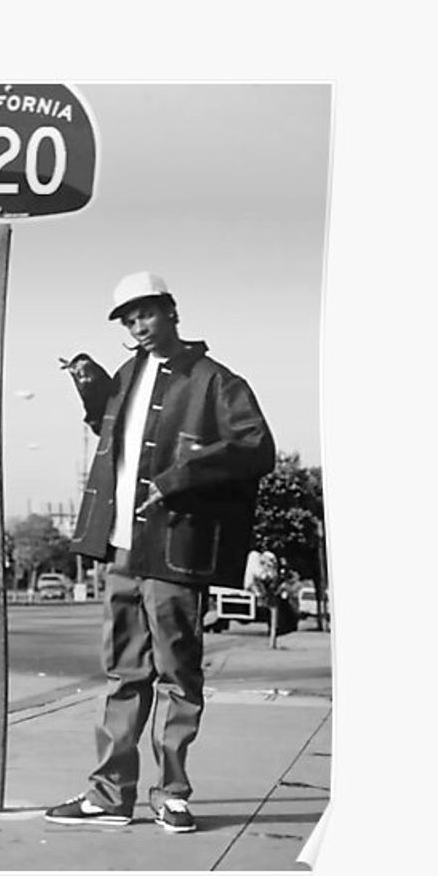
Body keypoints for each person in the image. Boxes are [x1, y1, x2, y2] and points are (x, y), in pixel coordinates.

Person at [46, 272, 275, 833]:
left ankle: (172, 793)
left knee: (178, 675)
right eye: (128, 320)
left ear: (171, 311)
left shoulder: (214, 380)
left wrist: (179, 478)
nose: (138, 327)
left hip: (175, 550)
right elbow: (112, 434)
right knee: (123, 674)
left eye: (145, 313)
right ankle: (109, 796)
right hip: (121, 548)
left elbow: (255, 446)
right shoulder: (128, 375)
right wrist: (92, 389)